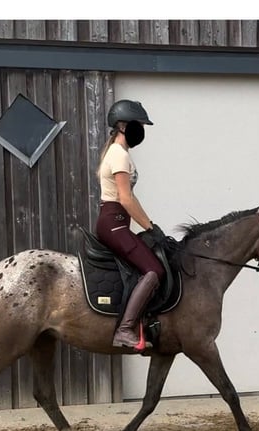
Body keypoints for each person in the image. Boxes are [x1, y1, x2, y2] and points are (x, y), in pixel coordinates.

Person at [95, 99, 164, 350]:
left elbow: (130, 198)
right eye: (138, 125)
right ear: (123, 126)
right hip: (114, 222)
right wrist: (149, 227)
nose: (141, 130)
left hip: (116, 221)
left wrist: (149, 225)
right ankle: (125, 330)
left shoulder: (118, 153)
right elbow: (125, 199)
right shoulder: (119, 155)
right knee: (154, 270)